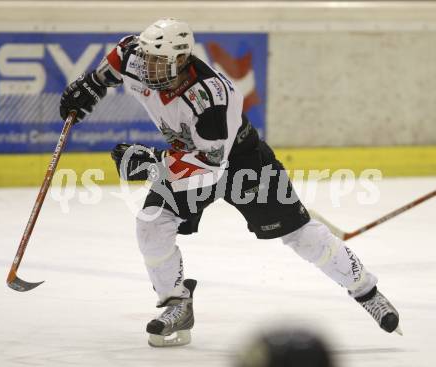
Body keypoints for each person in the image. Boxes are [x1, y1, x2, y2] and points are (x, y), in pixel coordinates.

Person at [60, 18, 401, 347]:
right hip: (188, 158)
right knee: (151, 223)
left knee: (301, 235)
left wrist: (152, 162)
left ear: (180, 61)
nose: (148, 69)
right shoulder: (135, 55)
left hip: (241, 162)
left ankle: (366, 291)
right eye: (146, 59)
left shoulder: (211, 99)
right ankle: (176, 303)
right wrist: (91, 85)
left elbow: (210, 164)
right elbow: (115, 64)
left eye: (158, 62)